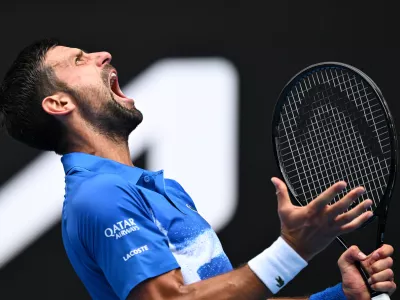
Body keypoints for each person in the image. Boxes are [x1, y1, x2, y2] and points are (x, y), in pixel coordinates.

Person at [0, 39, 395, 300]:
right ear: (58, 104)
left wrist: (338, 296)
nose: (102, 55)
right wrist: (295, 249)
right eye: (79, 60)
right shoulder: (99, 196)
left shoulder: (163, 189)